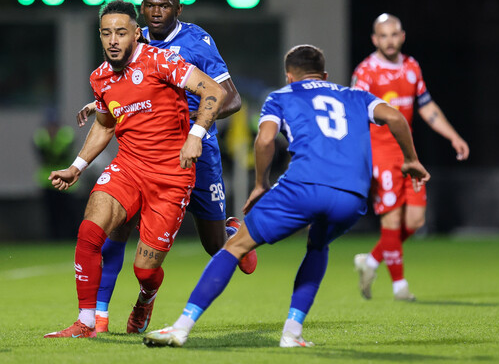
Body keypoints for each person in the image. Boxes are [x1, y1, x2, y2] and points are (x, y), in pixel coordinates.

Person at [142, 44, 430, 348]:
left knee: (236, 245)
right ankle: (292, 333)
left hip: (304, 187)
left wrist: (260, 184)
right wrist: (411, 159)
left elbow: (266, 140)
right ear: (325, 75)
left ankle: (181, 327)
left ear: (289, 75)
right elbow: (396, 118)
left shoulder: (282, 96)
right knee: (318, 245)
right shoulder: (357, 95)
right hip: (351, 195)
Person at [75, 0, 257, 333]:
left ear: (178, 9)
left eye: (164, 5)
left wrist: (190, 124)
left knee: (213, 245)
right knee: (113, 232)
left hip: (195, 150)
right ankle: (98, 318)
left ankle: (232, 233)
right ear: (142, 8)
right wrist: (108, 106)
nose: (156, 12)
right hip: (142, 158)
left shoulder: (196, 42)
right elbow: (122, 88)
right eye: (151, 5)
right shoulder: (132, 37)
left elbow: (231, 98)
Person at [43, 0, 226, 339]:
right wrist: (76, 167)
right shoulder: (100, 77)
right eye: (106, 33)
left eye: (121, 32)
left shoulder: (162, 60)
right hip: (128, 168)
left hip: (171, 176)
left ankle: (147, 296)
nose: (113, 40)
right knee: (89, 232)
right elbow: (104, 125)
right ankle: (86, 322)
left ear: (136, 34)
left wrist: (195, 136)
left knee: (145, 270)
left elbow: (214, 90)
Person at [351, 13, 469, 301]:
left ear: (402, 36)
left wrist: (453, 136)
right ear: (374, 39)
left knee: (415, 221)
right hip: (380, 154)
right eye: (383, 35)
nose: (389, 40)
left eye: (394, 34)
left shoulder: (412, 67)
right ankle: (399, 287)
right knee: (391, 220)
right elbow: (354, 115)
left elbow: (427, 107)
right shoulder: (366, 72)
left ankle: (370, 261)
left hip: (408, 153)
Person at [33, 107, 78, 240]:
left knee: (68, 212)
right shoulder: (41, 137)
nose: (52, 128)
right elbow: (43, 155)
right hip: (47, 180)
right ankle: (54, 238)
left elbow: (60, 154)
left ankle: (70, 237)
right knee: (51, 213)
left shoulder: (66, 135)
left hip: (65, 180)